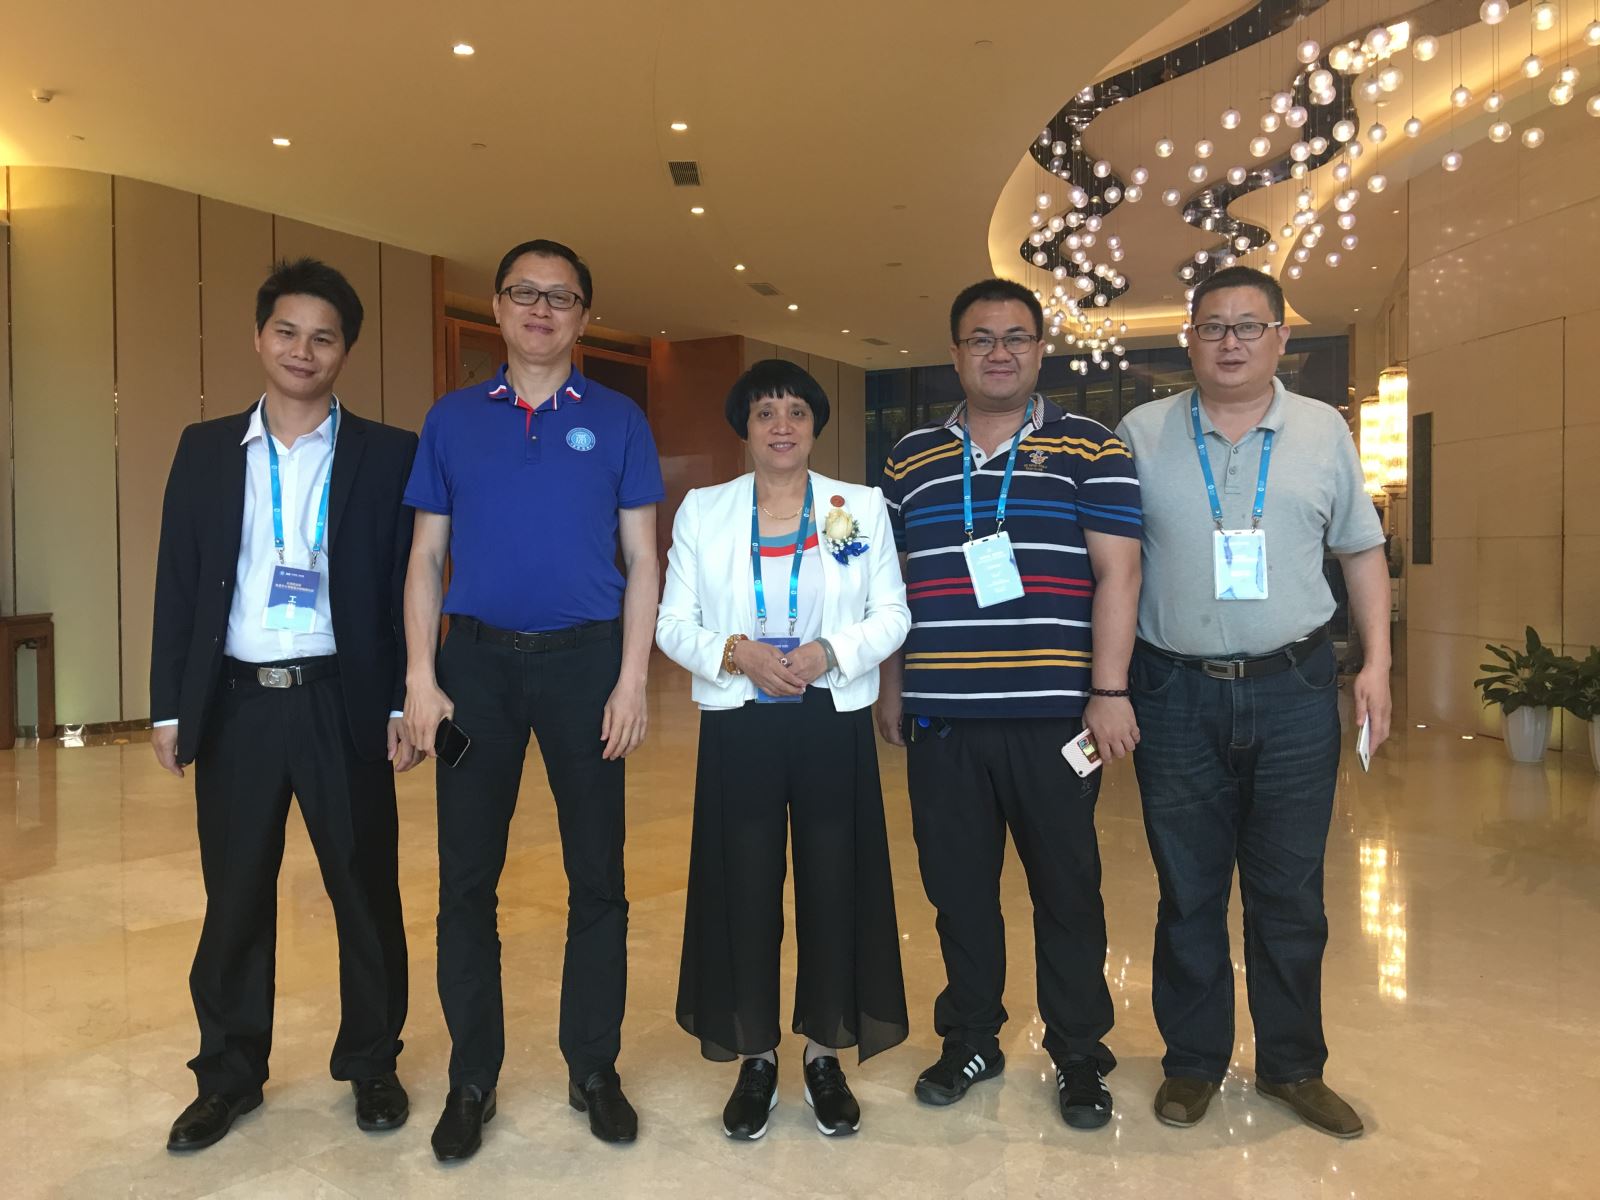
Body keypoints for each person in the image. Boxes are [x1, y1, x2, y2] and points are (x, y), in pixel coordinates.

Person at [1114, 265, 1390, 1139]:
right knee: (1188, 890)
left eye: (1248, 326)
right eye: (1213, 326)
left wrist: (1377, 665)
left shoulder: (1322, 430)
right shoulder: (1141, 432)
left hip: (1296, 688)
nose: (1229, 342)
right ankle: (1193, 1062)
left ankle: (1292, 1066)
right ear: (1189, 338)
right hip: (1174, 690)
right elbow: (1113, 568)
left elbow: (1361, 551)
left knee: (1291, 892)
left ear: (1280, 339)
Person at [401, 239, 663, 1159]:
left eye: (561, 297)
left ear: (584, 316)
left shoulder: (619, 420)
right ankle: (472, 1076)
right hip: (474, 671)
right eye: (525, 293)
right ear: (498, 308)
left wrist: (632, 679)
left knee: (599, 876)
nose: (541, 309)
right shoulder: (452, 419)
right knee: (466, 881)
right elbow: (426, 557)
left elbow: (644, 560)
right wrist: (421, 676)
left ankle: (594, 1068)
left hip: (586, 667)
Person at [150, 258, 418, 1152]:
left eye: (323, 338)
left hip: (342, 700)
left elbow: (404, 587)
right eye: (288, 332)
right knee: (234, 897)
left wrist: (399, 701)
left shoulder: (388, 454)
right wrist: (168, 707)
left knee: (364, 890)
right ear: (259, 338)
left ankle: (372, 1062)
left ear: (346, 351)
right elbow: (179, 582)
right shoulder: (205, 449)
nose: (304, 351)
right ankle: (228, 1075)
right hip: (238, 705)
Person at [877, 278, 1143, 1130]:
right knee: (958, 892)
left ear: (1040, 350)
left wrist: (1109, 691)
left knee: (1069, 891)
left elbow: (1120, 574)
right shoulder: (909, 457)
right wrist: (892, 685)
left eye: (1016, 337)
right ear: (955, 353)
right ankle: (971, 1038)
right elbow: (889, 585)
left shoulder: (1091, 446)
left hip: (1055, 719)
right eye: (982, 339)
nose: (999, 353)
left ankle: (1078, 1052)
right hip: (943, 716)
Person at [656, 360, 911, 1140]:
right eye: (765, 411)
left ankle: (825, 1054)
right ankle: (756, 1056)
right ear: (745, 426)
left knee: (835, 886)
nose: (781, 425)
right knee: (743, 889)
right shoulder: (705, 511)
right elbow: (673, 623)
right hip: (741, 721)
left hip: (830, 715)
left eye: (796, 411)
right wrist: (737, 652)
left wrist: (831, 651)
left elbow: (892, 612)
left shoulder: (853, 507)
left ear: (814, 426)